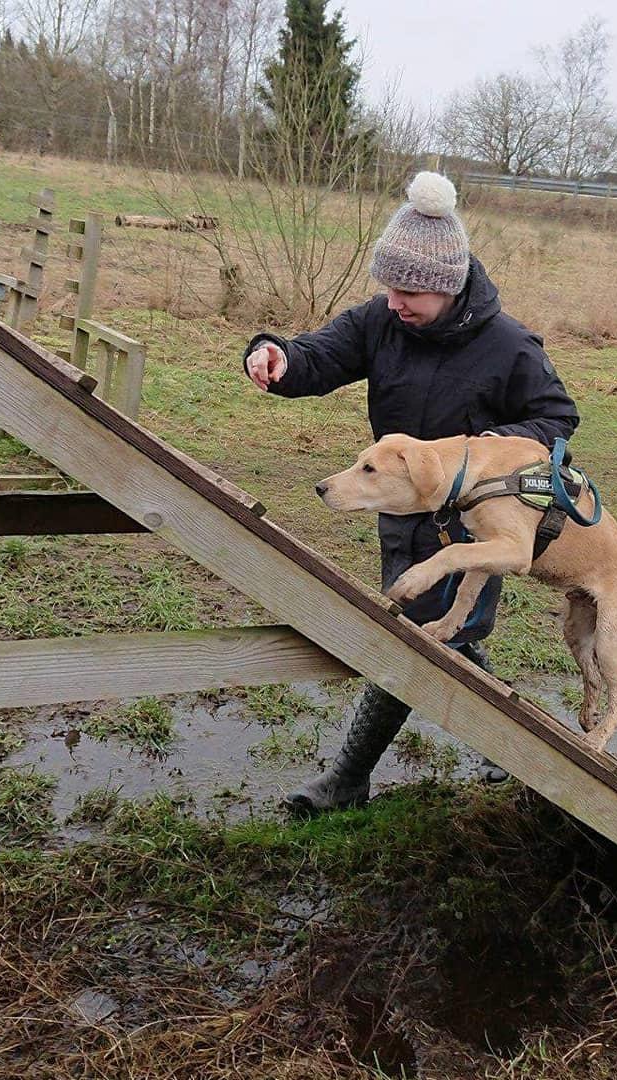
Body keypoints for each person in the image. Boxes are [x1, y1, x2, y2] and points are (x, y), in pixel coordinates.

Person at [243, 171, 579, 815]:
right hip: (399, 511)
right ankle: (508, 748)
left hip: (472, 521)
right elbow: (321, 355)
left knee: (420, 636)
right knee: (446, 634)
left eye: (411, 291)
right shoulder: (381, 321)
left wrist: (474, 459)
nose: (396, 301)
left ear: (449, 286)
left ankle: (348, 777)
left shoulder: (510, 345)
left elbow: (556, 420)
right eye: (390, 287)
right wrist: (277, 355)